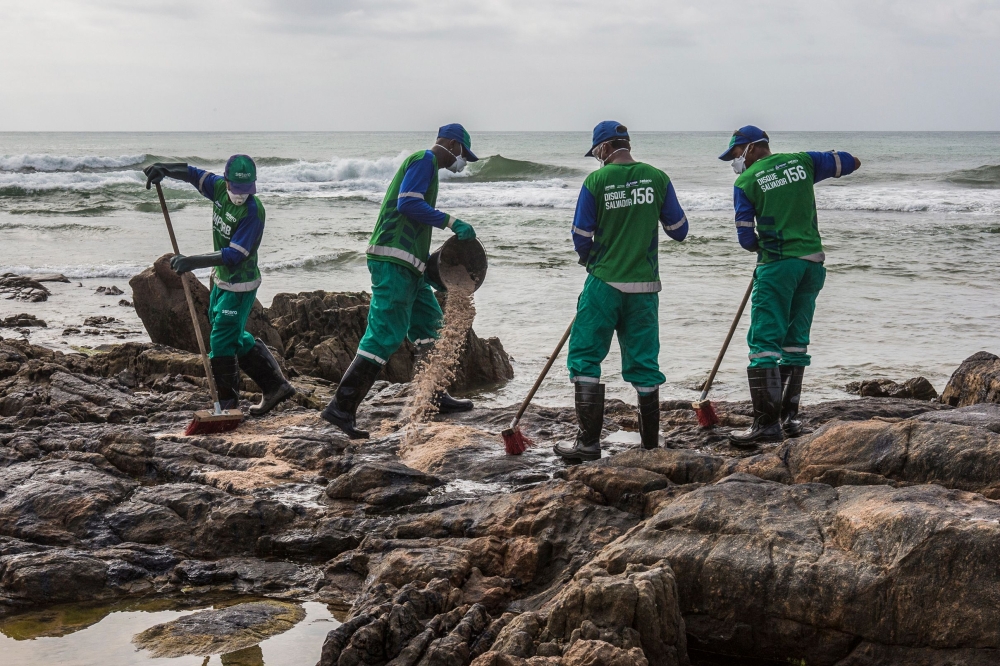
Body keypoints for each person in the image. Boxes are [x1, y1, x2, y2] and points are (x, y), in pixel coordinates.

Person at [320, 124, 479, 439]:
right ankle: (341, 408)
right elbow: (408, 202)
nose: (461, 162)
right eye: (462, 154)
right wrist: (451, 221)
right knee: (385, 335)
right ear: (450, 144)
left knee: (431, 325)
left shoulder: (429, 167)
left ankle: (434, 396)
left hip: (412, 265)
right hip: (394, 259)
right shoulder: (423, 160)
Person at [555, 121, 689, 462]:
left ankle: (588, 444)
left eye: (596, 152)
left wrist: (593, 260)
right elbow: (679, 230)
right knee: (644, 362)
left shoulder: (596, 181)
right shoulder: (658, 177)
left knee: (585, 357)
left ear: (603, 148)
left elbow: (580, 236)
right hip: (645, 287)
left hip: (604, 282)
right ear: (626, 144)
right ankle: (649, 447)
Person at [718, 126, 861, 446]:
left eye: (737, 154)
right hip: (812, 264)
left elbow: (745, 238)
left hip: (777, 265)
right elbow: (851, 162)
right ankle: (790, 418)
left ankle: (766, 425)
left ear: (753, 148)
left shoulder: (745, 182)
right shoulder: (804, 161)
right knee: (796, 341)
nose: (735, 162)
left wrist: (762, 248)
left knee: (764, 342)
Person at [143, 156, 295, 416]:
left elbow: (235, 254)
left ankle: (226, 405)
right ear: (226, 182)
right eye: (236, 189)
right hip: (220, 279)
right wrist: (164, 169)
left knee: (221, 340)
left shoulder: (253, 212)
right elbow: (193, 174)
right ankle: (276, 386)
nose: (240, 195)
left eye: (246, 190)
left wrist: (192, 261)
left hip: (240, 284)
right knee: (230, 334)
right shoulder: (217, 189)